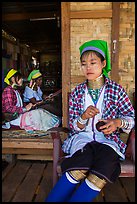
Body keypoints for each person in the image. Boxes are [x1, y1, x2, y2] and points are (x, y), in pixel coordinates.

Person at [45, 39, 135, 202]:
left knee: (106, 163)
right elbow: (73, 126)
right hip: (83, 140)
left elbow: (131, 118)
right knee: (81, 162)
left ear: (103, 63)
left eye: (93, 62)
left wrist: (117, 123)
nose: (88, 67)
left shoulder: (116, 90)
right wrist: (83, 117)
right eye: (84, 63)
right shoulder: (78, 92)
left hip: (108, 141)